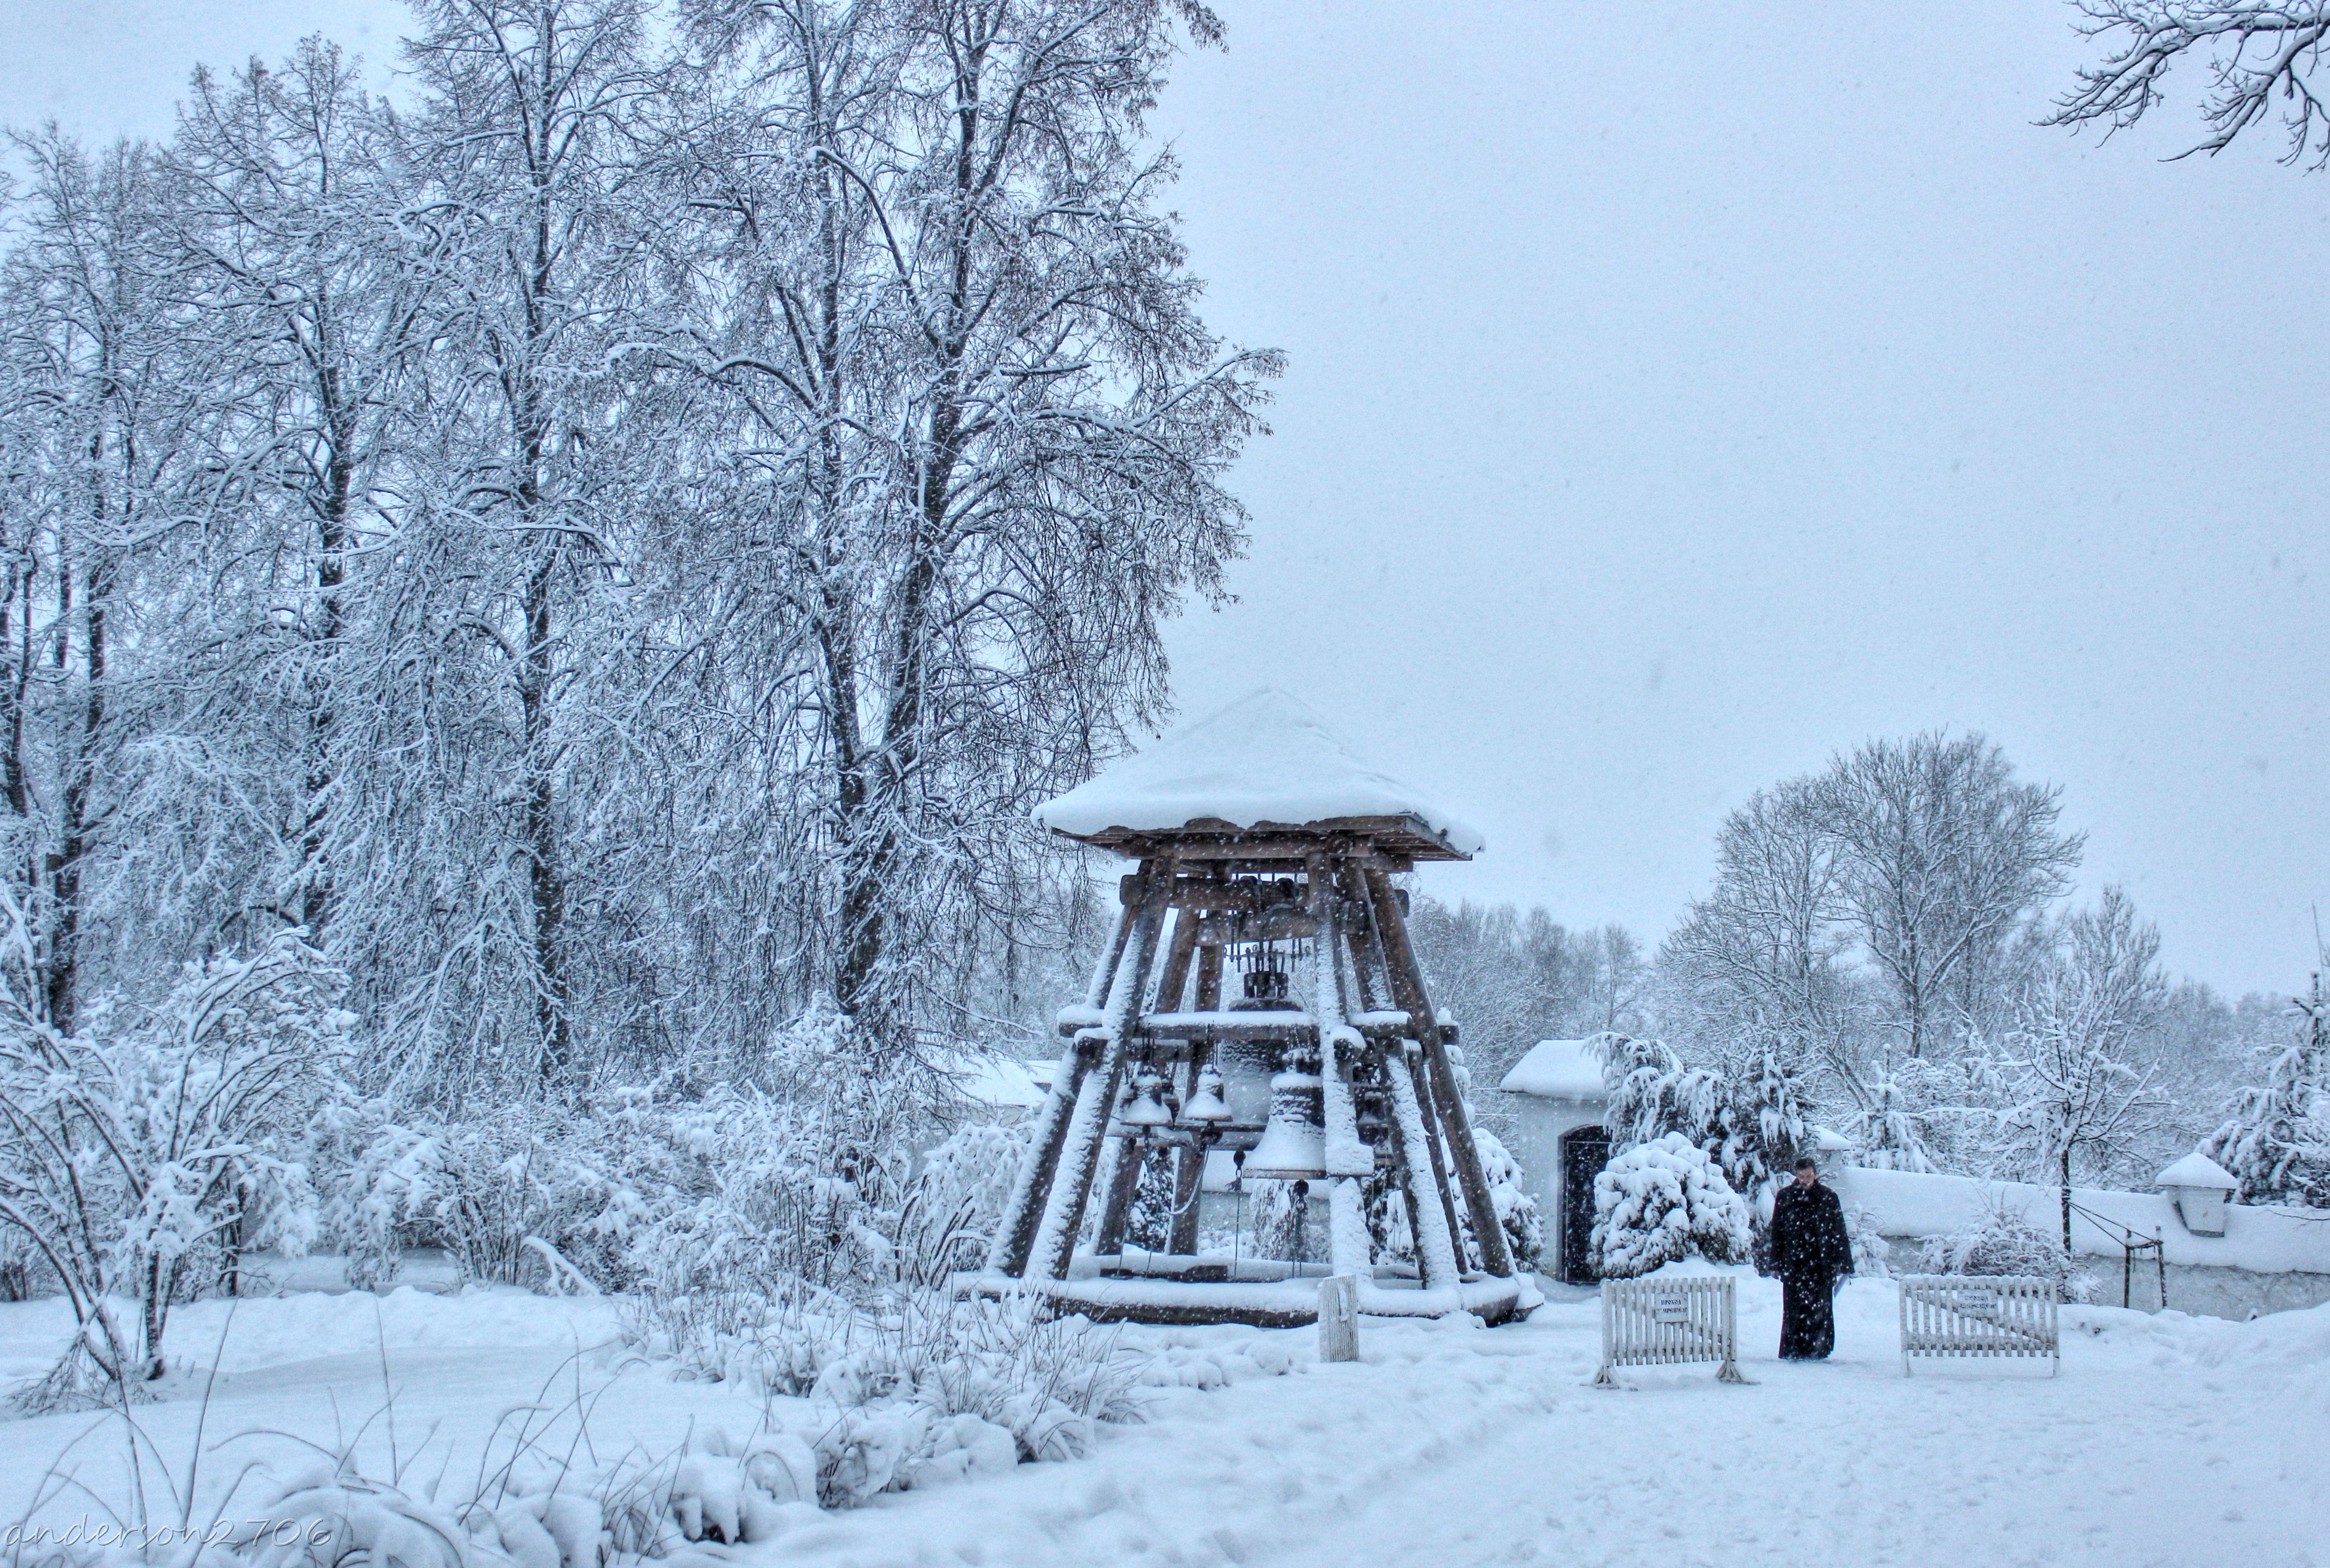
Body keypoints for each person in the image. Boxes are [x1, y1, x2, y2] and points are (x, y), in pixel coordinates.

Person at [1769, 1156, 1853, 1360]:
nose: (1806, 1180)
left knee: (1821, 1309)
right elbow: (1777, 1232)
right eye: (1801, 1176)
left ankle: (1819, 1349)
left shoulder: (1828, 1197)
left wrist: (1843, 1262)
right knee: (1795, 1310)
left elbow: (1838, 1231)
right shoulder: (1785, 1197)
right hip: (1795, 1264)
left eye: (1809, 1176)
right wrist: (1776, 1263)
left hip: (1821, 1264)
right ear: (1796, 1176)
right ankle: (1794, 1349)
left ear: (1816, 1174)